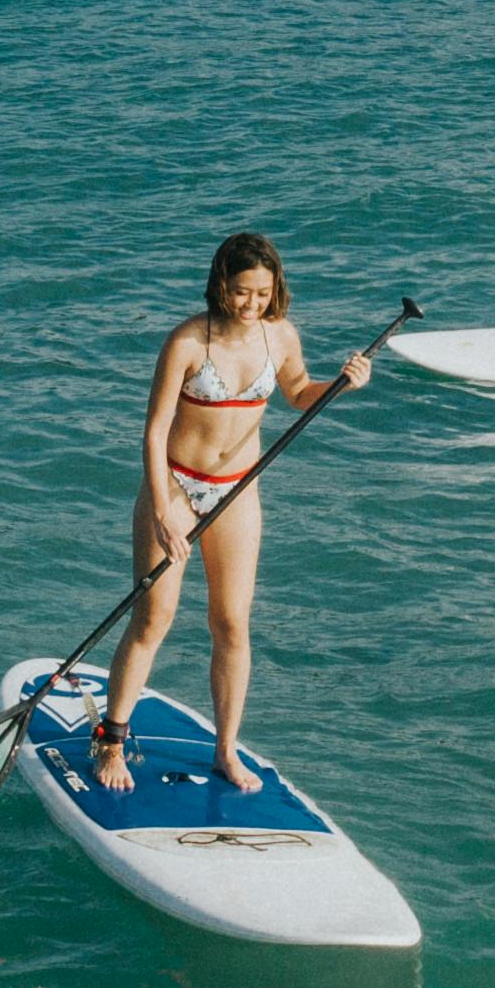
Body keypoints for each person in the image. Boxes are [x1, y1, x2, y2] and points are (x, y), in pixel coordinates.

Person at [96, 231, 375, 796]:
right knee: (154, 618)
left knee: (231, 622)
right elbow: (153, 434)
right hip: (174, 486)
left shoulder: (280, 337)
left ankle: (226, 750)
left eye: (262, 294)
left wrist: (341, 386)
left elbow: (298, 392)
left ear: (276, 292)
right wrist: (161, 512)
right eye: (242, 292)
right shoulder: (187, 343)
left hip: (237, 490)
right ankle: (111, 738)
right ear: (221, 286)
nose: (252, 304)